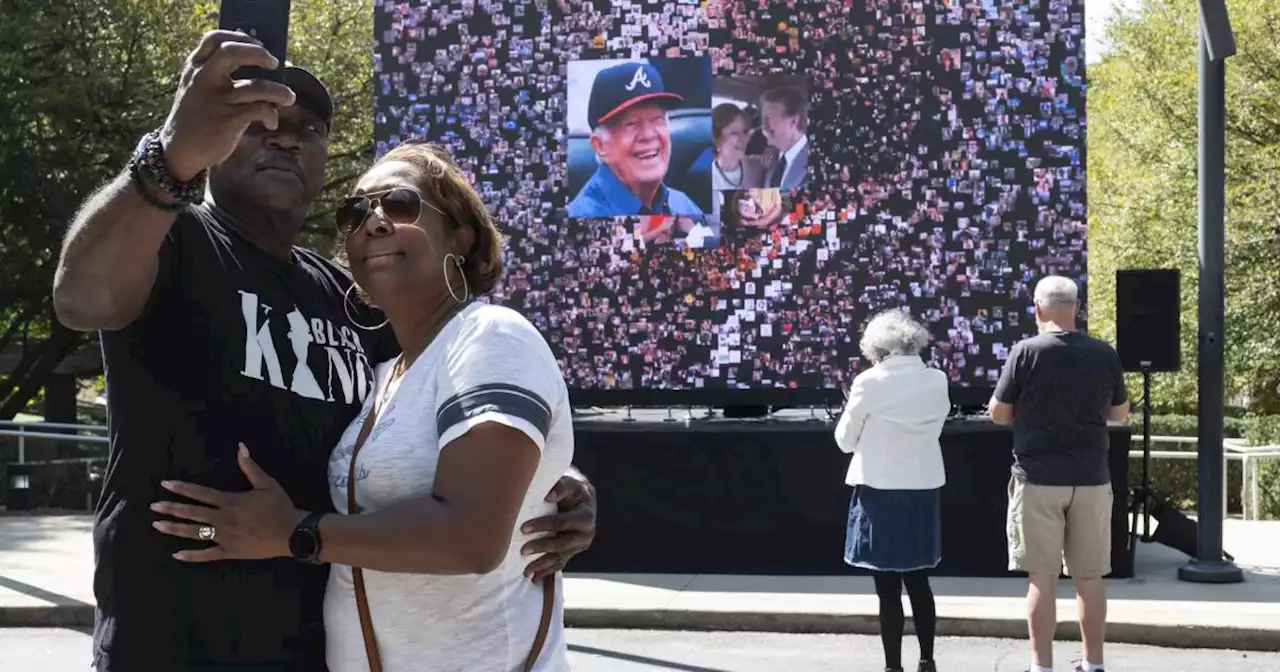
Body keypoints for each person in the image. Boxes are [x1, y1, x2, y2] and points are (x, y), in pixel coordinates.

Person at [52, 31, 596, 672]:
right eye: (260, 122)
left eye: (307, 129)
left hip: (316, 650)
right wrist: (168, 159)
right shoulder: (171, 238)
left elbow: (440, 419)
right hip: (174, 643)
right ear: (217, 140)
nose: (284, 136)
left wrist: (556, 483)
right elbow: (82, 299)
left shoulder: (353, 303)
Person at [150, 142, 573, 671]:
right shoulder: (382, 375)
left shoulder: (490, 334)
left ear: (460, 237)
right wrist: (565, 480)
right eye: (355, 212)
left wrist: (295, 532)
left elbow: (470, 537)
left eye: (400, 204)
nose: (372, 221)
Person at [988, 276, 1130, 672]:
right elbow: (1120, 413)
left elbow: (998, 414)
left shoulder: (1025, 352)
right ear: (1078, 308)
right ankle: (1094, 664)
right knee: (1090, 578)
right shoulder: (1104, 353)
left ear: (1037, 308)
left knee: (1042, 578)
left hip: (1037, 479)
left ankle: (1042, 666)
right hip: (1092, 478)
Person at [834, 310, 949, 672]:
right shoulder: (937, 379)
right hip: (921, 489)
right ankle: (927, 662)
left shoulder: (869, 381)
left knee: (887, 590)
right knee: (919, 581)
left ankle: (892, 668)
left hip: (881, 491)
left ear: (877, 348)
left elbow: (844, 442)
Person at [567, 61, 703, 218]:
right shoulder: (583, 217)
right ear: (600, 146)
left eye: (657, 119)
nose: (648, 135)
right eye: (630, 124)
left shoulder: (683, 205)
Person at [759, 87, 809, 190]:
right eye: (763, 118)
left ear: (793, 121)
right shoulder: (771, 159)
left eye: (769, 117)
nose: (763, 125)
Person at [710, 103, 764, 190]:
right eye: (734, 133)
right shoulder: (707, 177)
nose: (743, 139)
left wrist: (773, 151)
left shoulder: (757, 165)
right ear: (716, 139)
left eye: (745, 131)